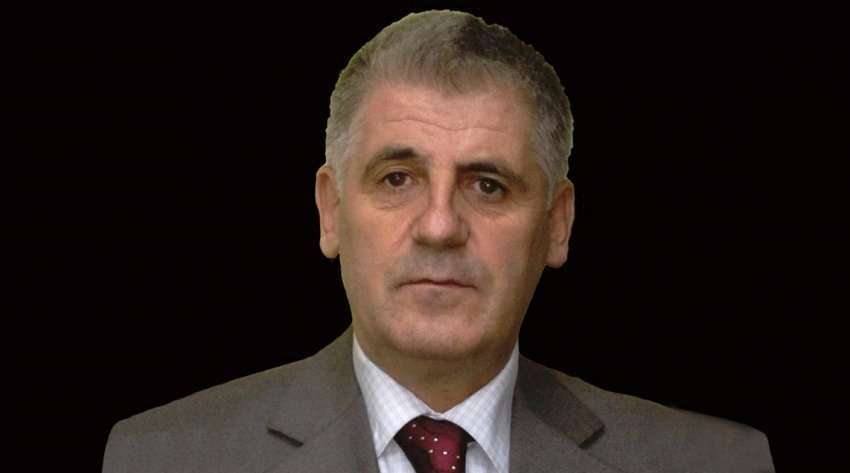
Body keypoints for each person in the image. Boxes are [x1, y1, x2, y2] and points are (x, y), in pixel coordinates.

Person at [102, 10, 774, 473]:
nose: (440, 225)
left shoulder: (716, 463)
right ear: (330, 211)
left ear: (557, 223)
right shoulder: (160, 458)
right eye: (397, 178)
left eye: (488, 186)